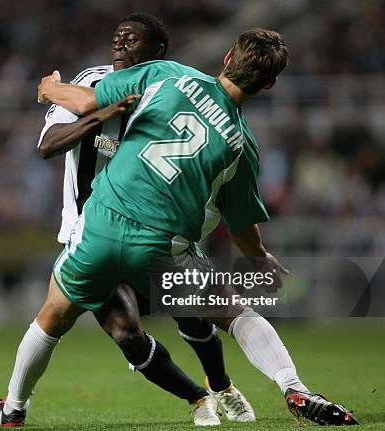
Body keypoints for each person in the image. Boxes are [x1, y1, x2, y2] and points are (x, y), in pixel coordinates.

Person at [0, 28, 358, 427]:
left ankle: (13, 409)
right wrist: (262, 259)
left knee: (51, 319)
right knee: (234, 313)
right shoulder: (241, 146)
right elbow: (241, 228)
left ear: (228, 56)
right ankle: (293, 387)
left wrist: (50, 87)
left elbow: (86, 100)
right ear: (268, 85)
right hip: (161, 247)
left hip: (99, 227)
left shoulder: (170, 74)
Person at [33, 13, 253, 426]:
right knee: (126, 334)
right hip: (92, 232)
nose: (119, 45)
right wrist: (94, 116)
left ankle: (222, 384)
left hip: (153, 228)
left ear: (156, 53)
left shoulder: (171, 88)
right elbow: (47, 145)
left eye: (131, 39)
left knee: (191, 310)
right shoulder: (89, 84)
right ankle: (198, 398)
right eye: (116, 38)